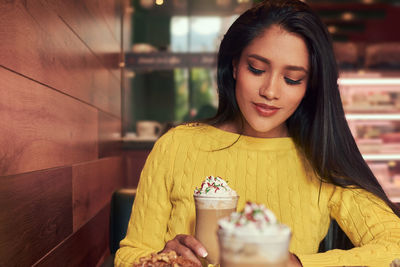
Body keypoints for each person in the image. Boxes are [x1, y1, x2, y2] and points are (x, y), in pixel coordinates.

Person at [115, 0, 400, 266]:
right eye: (257, 68)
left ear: (309, 86)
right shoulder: (177, 146)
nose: (270, 92)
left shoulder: (321, 158)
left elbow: (395, 245)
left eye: (292, 79)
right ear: (235, 66)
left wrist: (297, 263)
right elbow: (130, 253)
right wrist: (159, 258)